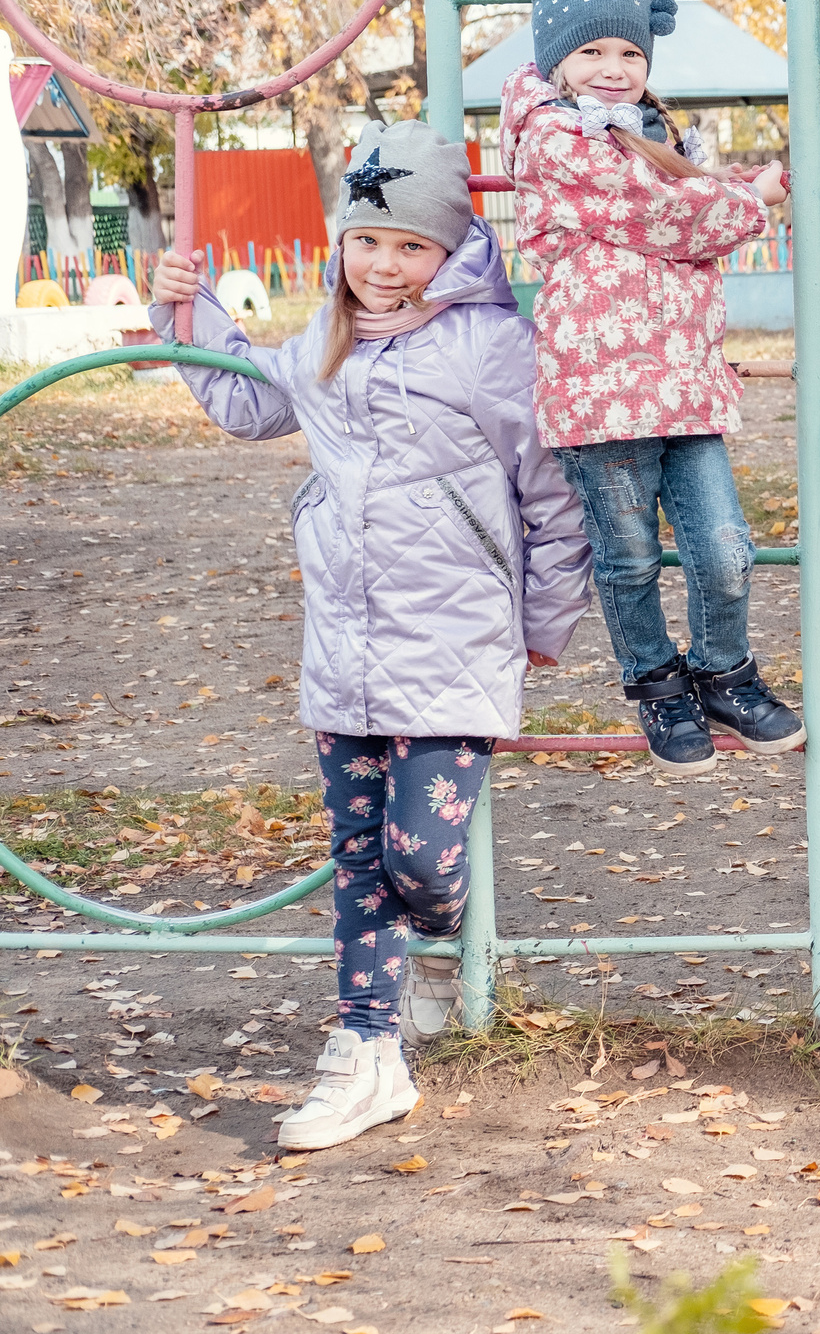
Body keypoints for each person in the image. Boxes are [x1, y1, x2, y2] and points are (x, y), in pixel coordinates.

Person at [149, 121, 590, 1148]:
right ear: (342, 240)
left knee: (422, 860)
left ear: (450, 250)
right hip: (343, 642)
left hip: (454, 639)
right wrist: (186, 303)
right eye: (367, 240)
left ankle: (434, 944)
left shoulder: (489, 348)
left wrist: (545, 624)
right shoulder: (325, 339)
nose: (384, 265)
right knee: (357, 856)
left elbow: (551, 494)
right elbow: (242, 398)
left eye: (410, 246)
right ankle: (366, 1052)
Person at [499, 0, 803, 777]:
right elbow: (662, 213)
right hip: (600, 394)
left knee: (725, 549)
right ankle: (656, 680)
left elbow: (675, 194)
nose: (613, 67)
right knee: (629, 555)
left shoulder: (644, 128)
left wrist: (722, 185)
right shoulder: (553, 138)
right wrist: (748, 200)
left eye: (630, 51)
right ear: (555, 61)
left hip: (685, 383)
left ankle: (721, 669)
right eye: (592, 50)